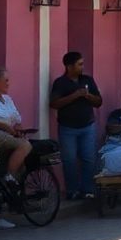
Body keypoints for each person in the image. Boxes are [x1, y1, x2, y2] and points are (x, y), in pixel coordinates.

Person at [49, 51, 101, 200]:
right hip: (67, 127)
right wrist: (75, 95)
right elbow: (54, 103)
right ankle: (72, 190)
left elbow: (99, 102)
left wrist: (88, 96)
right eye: (79, 64)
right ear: (69, 66)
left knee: (88, 158)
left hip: (87, 126)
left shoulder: (88, 80)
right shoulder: (60, 82)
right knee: (69, 160)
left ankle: (88, 189)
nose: (82, 67)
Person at [0, 66, 32, 225]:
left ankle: (4, 207)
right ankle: (9, 177)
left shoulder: (7, 99)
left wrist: (18, 130)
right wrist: (7, 128)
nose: (8, 83)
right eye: (5, 80)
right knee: (25, 146)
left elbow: (17, 120)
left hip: (5, 138)